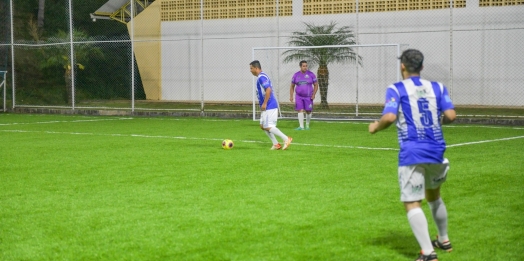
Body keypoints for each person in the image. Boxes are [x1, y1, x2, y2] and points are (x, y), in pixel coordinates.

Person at [368, 49, 456, 261]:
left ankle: (427, 253)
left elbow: (389, 117)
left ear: (403, 66)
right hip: (436, 151)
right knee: (434, 196)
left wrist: (375, 127)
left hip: (412, 152)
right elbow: (451, 116)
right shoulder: (437, 87)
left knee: (412, 202)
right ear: (422, 67)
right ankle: (444, 240)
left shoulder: (396, 89)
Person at [250, 60, 292, 150]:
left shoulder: (261, 77)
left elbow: (268, 90)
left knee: (268, 126)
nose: (250, 70)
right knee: (263, 126)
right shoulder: (261, 76)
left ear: (256, 68)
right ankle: (276, 144)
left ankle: (286, 139)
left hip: (269, 105)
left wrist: (265, 103)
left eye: (251, 68)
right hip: (266, 106)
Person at [289, 60, 318, 130]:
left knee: (308, 111)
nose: (305, 67)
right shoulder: (296, 75)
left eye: (306, 66)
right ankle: (301, 126)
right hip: (299, 96)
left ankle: (307, 125)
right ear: (300, 66)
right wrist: (291, 96)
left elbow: (316, 85)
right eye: (303, 66)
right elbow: (292, 86)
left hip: (308, 96)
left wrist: (314, 94)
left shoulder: (311, 74)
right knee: (300, 110)